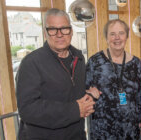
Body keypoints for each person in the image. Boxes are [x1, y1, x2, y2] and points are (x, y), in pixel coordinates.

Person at [16, 8, 98, 140]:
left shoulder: (79, 57)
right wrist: (75, 110)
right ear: (45, 33)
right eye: (53, 29)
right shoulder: (31, 62)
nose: (59, 34)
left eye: (64, 28)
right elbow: (28, 109)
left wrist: (88, 97)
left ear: (71, 32)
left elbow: (70, 93)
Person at [86, 19, 141, 139]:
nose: (117, 38)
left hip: (129, 130)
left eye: (121, 33)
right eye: (112, 34)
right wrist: (88, 93)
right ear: (106, 38)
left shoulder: (136, 63)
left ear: (126, 36)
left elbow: (140, 96)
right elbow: (84, 91)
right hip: (102, 130)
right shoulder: (94, 62)